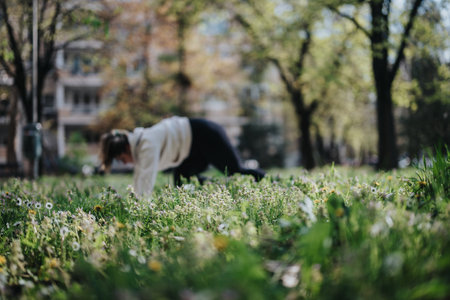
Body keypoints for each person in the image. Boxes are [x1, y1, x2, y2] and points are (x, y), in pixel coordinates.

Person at [99, 116, 265, 196]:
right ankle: (218, 189)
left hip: (206, 134)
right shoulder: (141, 144)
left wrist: (140, 208)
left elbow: (146, 177)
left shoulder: (147, 144)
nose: (126, 163)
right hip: (190, 149)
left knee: (234, 170)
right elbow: (139, 175)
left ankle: (268, 180)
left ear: (127, 147)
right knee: (181, 180)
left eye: (122, 159)